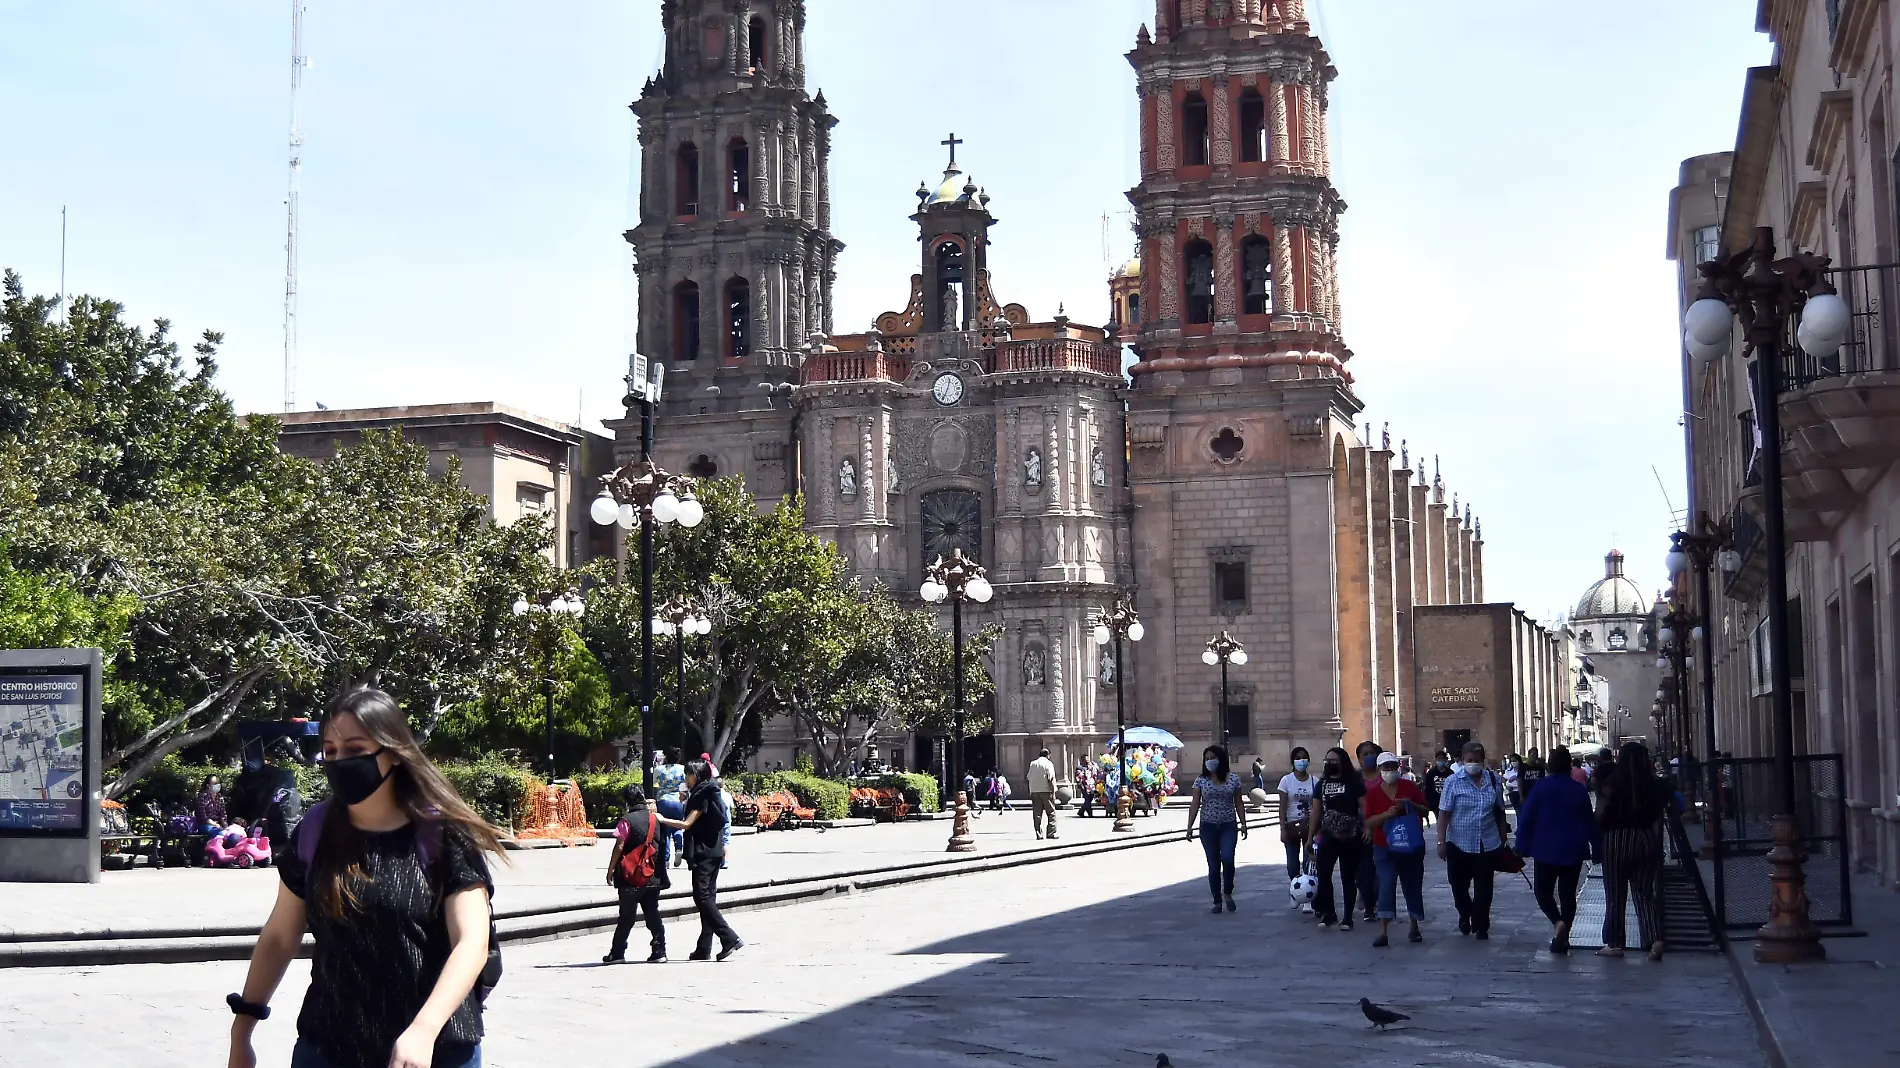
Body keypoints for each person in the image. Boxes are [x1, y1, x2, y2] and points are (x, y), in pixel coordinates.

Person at [227, 688, 501, 1068]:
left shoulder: (443, 833)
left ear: (393, 752)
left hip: (434, 1050)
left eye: (355, 750)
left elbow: (471, 941)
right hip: (328, 1046)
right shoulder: (315, 830)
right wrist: (242, 1030)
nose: (340, 762)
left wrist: (423, 1030)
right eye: (331, 751)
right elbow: (278, 937)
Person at [654, 759, 741, 961]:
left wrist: (662, 819)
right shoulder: (709, 791)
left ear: (697, 775)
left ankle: (729, 937)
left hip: (705, 852)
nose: (686, 779)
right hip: (714, 850)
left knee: (702, 897)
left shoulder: (702, 794)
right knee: (708, 898)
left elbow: (687, 824)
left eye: (688, 775)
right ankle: (704, 948)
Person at [1515, 746, 1592, 954]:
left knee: (1543, 891)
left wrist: (1520, 846)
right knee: (1568, 895)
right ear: (1569, 765)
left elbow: (1526, 818)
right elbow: (1589, 821)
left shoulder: (1541, 788)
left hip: (1545, 848)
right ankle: (1564, 934)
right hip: (1573, 849)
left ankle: (1557, 923)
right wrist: (1598, 847)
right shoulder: (1579, 790)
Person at [1596, 740, 1668, 960]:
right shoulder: (1652, 784)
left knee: (1616, 894)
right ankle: (1654, 938)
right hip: (1645, 838)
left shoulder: (1612, 782)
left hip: (1617, 840)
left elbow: (1600, 813)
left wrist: (1597, 835)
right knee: (1644, 892)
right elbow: (1659, 817)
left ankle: (1615, 943)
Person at [1436, 740, 1509, 939]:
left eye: (1477, 760)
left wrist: (1503, 837)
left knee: (1484, 889)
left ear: (1483, 760)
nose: (1473, 764)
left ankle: (1481, 924)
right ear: (1462, 760)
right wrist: (1441, 841)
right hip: (1459, 843)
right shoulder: (1453, 781)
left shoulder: (1492, 780)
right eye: (1469, 760)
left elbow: (1500, 811)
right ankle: (1465, 913)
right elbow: (1443, 814)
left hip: (1487, 842)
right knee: (1458, 886)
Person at [1362, 751, 1428, 947]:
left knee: (1412, 885)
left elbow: (1426, 809)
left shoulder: (1409, 786)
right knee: (1386, 884)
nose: (1389, 770)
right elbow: (1369, 822)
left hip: (1410, 846)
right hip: (1384, 846)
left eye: (1392, 767)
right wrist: (1386, 815)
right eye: (1386, 767)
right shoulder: (1373, 793)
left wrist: (1410, 805)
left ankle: (1414, 926)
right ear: (1379, 769)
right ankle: (1383, 931)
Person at [603, 784, 669, 964]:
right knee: (652, 913)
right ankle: (659, 950)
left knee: (626, 916)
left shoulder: (626, 820)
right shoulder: (655, 819)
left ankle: (617, 953)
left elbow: (619, 847)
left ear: (627, 802)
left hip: (630, 876)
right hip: (651, 875)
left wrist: (610, 870)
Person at [1307, 746, 1366, 931]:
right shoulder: (1322, 784)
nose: (1329, 763)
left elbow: (1363, 807)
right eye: (1327, 760)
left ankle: (1347, 917)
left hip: (1350, 836)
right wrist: (1310, 837)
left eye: (1333, 760)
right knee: (1323, 873)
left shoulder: (1354, 781)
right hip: (1327, 835)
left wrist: (1367, 828)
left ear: (1342, 762)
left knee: (1348, 877)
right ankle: (1329, 913)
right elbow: (1316, 811)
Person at [1185, 744, 1249, 913]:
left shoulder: (1233, 779)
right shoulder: (1200, 780)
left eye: (1213, 758)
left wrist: (1243, 823)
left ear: (1221, 759)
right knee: (1213, 864)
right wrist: (1189, 826)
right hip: (1208, 827)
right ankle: (1217, 900)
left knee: (1227, 858)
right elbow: (1194, 804)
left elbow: (1239, 802)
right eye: (1207, 759)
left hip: (1228, 824)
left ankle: (1227, 891)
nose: (1210, 761)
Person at [1276, 747, 1317, 907]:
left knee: (1309, 861)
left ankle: (1308, 897)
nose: (1301, 760)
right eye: (1298, 757)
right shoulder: (1286, 781)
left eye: (1304, 757)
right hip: (1292, 824)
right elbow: (1282, 806)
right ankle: (1295, 890)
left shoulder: (1315, 781)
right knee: (1292, 863)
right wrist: (1282, 827)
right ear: (1293, 761)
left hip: (1310, 827)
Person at [1353, 740, 1383, 922]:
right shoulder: (1355, 779)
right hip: (1359, 829)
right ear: (1358, 759)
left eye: (1372, 753)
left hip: (1382, 827)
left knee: (1380, 869)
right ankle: (1366, 898)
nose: (1368, 757)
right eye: (1364, 754)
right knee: (1362, 870)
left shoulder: (1384, 776)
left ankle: (1373, 902)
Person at [655, 749, 687, 867]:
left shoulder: (659, 769)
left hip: (663, 799)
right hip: (677, 800)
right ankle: (679, 849)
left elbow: (654, 783)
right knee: (678, 826)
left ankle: (666, 859)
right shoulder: (682, 769)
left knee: (665, 829)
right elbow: (685, 786)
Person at [1028, 748, 1059, 840]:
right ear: (1048, 755)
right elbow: (1050, 779)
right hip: (1046, 791)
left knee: (1037, 814)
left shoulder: (1032, 763)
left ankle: (1038, 833)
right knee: (1051, 813)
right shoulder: (1049, 764)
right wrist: (1053, 792)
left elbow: (1029, 777)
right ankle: (1051, 833)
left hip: (1034, 791)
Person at [1422, 753, 1451, 825]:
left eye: (1442, 759)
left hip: (1448, 801)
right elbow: (1427, 788)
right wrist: (1427, 802)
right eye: (1439, 759)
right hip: (1435, 802)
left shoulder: (1450, 773)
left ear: (1445, 760)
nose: (1440, 761)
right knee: (1440, 820)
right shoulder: (1431, 773)